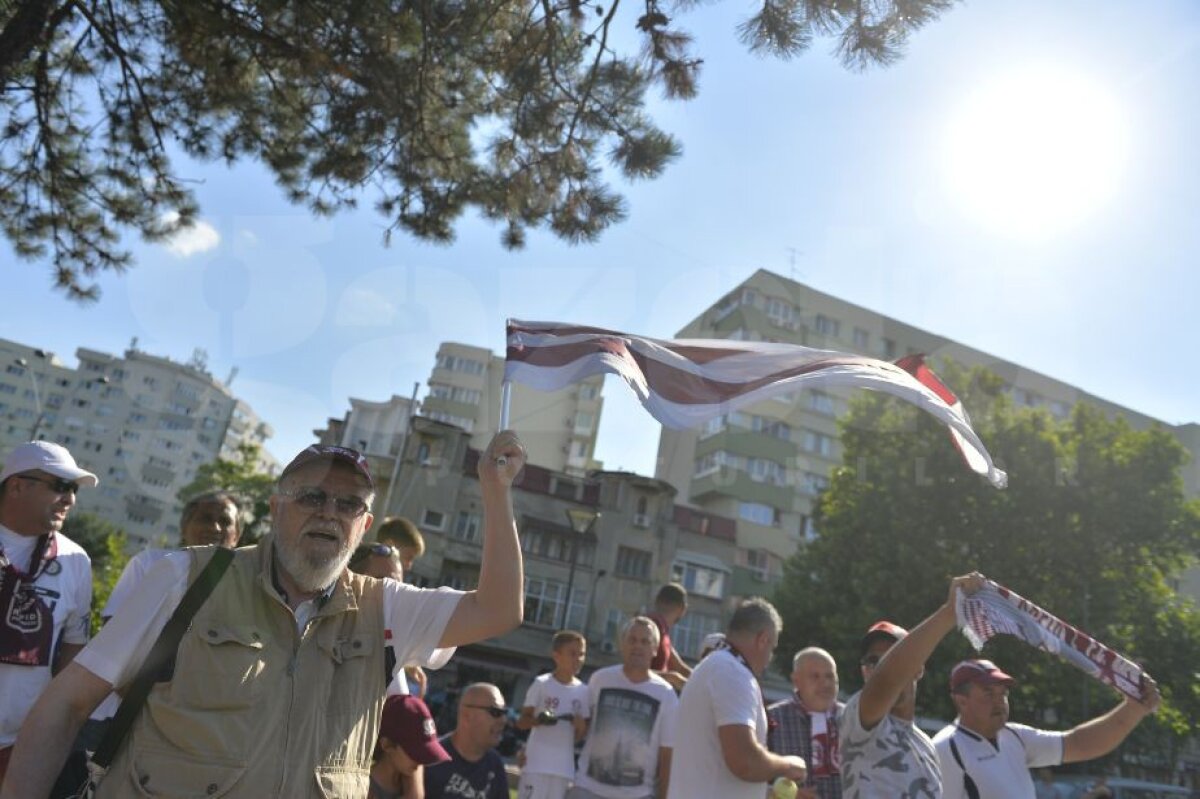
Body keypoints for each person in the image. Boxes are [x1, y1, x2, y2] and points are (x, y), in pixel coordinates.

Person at [1, 432, 528, 799]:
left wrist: (496, 491)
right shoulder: (185, 577)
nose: (329, 512)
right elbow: (66, 705)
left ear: (364, 525)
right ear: (276, 508)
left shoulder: (385, 605)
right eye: (312, 496)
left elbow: (499, 609)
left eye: (348, 505)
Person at [839, 572, 985, 798]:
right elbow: (887, 678)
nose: (879, 666)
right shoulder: (856, 719)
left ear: (918, 668)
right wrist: (949, 612)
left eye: (890, 655)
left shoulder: (926, 744)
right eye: (872, 661)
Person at [0, 442, 96, 786]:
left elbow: (72, 651)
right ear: (17, 485)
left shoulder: (76, 560)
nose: (70, 499)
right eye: (59, 486)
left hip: (19, 747)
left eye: (73, 490)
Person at [933, 658, 1160, 799]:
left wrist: (1134, 709)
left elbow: (1080, 744)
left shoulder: (1015, 737)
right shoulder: (946, 749)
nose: (999, 701)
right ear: (961, 700)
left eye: (1003, 693)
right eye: (988, 693)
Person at [667, 598, 807, 799]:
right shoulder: (733, 673)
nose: (770, 658)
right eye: (772, 648)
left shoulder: (712, 668)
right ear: (763, 640)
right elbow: (744, 761)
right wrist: (788, 765)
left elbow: (713, 764)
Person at [570, 616, 679, 799]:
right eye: (632, 640)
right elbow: (577, 728)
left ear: (654, 650)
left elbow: (667, 754)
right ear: (622, 644)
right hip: (587, 789)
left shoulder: (666, 694)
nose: (638, 646)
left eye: (645, 642)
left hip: (637, 794)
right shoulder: (600, 680)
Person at [517, 630, 590, 799]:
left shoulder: (584, 692)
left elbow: (580, 736)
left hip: (563, 770)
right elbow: (522, 722)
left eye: (582, 654)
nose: (578, 659)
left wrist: (580, 727)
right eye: (572, 654)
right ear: (556, 656)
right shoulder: (542, 684)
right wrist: (539, 720)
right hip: (536, 764)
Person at [767, 647, 842, 799]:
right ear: (796, 680)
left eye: (830, 676)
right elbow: (750, 775)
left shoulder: (853, 720)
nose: (825, 683)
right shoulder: (771, 719)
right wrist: (779, 794)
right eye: (815, 676)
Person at [423, 683, 510, 799]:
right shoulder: (430, 758)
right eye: (495, 712)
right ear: (467, 715)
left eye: (505, 713)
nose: (503, 720)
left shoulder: (495, 765)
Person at [371, 694, 451, 799]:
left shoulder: (411, 787)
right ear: (386, 745)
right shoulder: (362, 788)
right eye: (414, 752)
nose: (421, 761)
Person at [647, 583, 691, 690]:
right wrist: (672, 678)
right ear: (683, 609)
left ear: (656, 602)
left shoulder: (661, 630)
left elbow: (681, 668)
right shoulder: (651, 627)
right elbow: (634, 669)